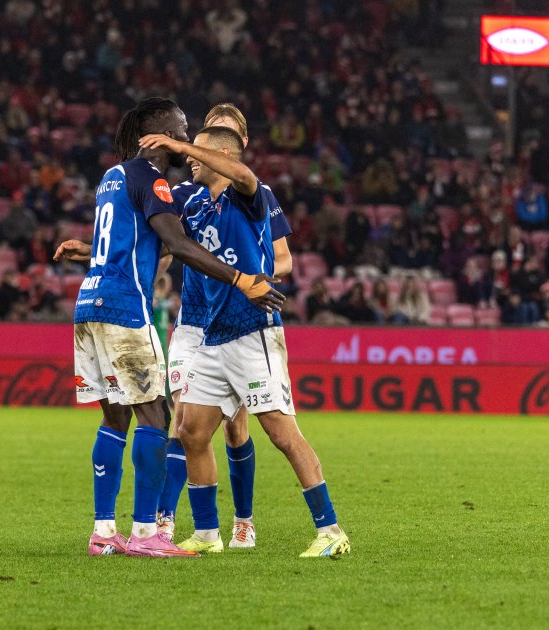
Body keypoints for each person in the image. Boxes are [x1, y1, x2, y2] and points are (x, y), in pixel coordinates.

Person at [51, 97, 282, 559]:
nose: (186, 138)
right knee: (157, 416)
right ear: (161, 133)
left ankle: (103, 532)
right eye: (181, 128)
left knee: (114, 418)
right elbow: (176, 242)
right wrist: (240, 279)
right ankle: (146, 532)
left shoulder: (112, 176)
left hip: (89, 301)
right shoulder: (153, 180)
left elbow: (133, 238)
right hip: (125, 308)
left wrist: (89, 252)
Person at [139, 125, 349, 558]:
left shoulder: (249, 197)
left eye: (198, 150)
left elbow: (244, 175)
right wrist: (93, 250)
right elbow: (162, 240)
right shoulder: (196, 205)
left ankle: (330, 531)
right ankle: (207, 533)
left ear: (222, 155)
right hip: (212, 335)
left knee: (282, 434)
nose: (189, 158)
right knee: (191, 431)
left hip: (254, 333)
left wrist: (178, 143)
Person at [158, 103, 293, 549]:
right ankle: (165, 521)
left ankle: (244, 519)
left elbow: (284, 260)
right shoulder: (187, 195)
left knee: (237, 428)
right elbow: (165, 243)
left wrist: (250, 279)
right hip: (193, 322)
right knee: (184, 418)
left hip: (237, 321)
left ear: (238, 145)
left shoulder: (259, 194)